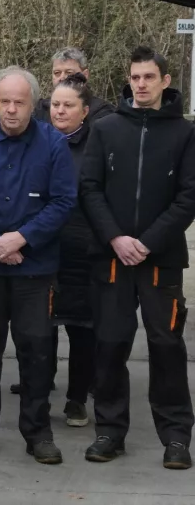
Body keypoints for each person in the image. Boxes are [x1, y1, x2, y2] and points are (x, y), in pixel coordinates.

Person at [0, 67, 76, 465]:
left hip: (34, 269)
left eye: (19, 102)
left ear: (33, 104)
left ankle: (38, 432)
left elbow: (62, 202)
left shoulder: (53, 145)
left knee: (36, 352)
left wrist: (21, 238)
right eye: (4, 101)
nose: (10, 109)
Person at [79, 46, 195, 469]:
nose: (141, 84)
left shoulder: (185, 134)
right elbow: (89, 188)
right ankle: (110, 430)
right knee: (110, 344)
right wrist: (116, 238)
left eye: (149, 77)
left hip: (160, 259)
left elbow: (189, 196)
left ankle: (177, 436)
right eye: (135, 77)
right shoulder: (106, 128)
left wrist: (147, 241)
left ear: (166, 81)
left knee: (166, 345)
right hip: (112, 258)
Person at [47, 72, 98, 428]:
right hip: (42, 250)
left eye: (68, 105)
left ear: (85, 111)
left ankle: (76, 398)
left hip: (83, 251)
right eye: (55, 105)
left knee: (83, 331)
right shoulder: (38, 141)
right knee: (39, 329)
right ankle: (38, 393)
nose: (60, 112)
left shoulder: (97, 146)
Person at [34, 47, 114, 123]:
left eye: (69, 73)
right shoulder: (40, 109)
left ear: (85, 75)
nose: (62, 78)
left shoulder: (102, 112)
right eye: (57, 73)